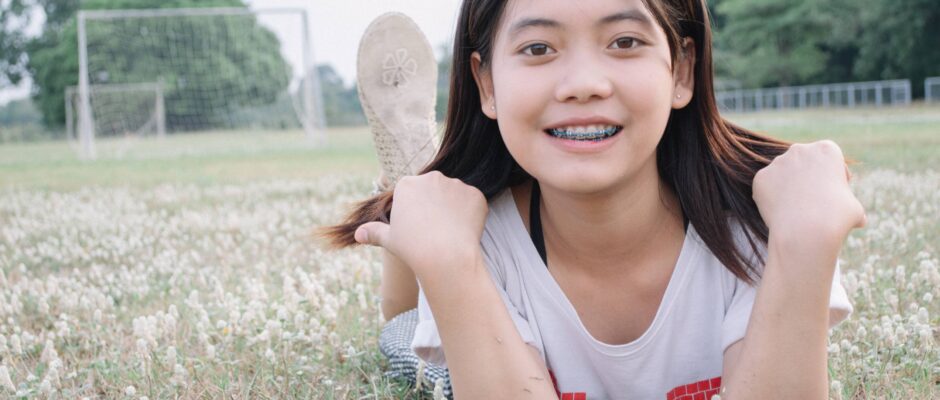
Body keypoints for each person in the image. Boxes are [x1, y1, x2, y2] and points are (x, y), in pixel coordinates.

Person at [322, 0, 866, 399]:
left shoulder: (767, 220)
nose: (583, 84)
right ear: (486, 85)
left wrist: (806, 244)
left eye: (624, 41)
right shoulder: (476, 242)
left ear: (681, 70)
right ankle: (413, 191)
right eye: (538, 48)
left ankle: (416, 189)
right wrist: (446, 262)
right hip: (476, 332)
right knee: (402, 338)